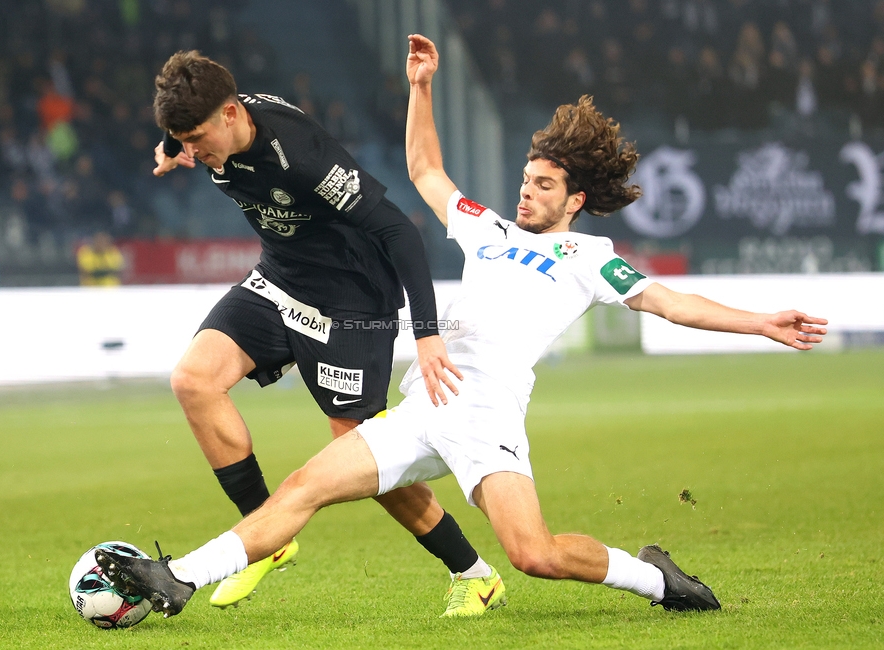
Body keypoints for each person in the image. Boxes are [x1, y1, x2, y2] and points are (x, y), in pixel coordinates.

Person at [97, 35, 828, 619]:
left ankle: (656, 581)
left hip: (487, 412)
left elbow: (670, 303)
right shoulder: (486, 228)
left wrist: (761, 322)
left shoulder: (588, 256)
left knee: (534, 554)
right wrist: (421, 90)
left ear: (575, 199)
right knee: (303, 487)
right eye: (526, 178)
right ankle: (178, 576)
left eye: (543, 184)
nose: (526, 190)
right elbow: (424, 170)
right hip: (428, 403)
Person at [149, 50, 492, 615]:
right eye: (181, 138)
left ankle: (473, 572)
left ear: (231, 114)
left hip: (352, 296)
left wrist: (427, 334)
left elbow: (401, 232)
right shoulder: (207, 124)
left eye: (196, 138)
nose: (193, 151)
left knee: (355, 446)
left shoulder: (300, 158)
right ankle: (265, 540)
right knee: (193, 380)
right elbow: (182, 134)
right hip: (280, 278)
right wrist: (171, 149)